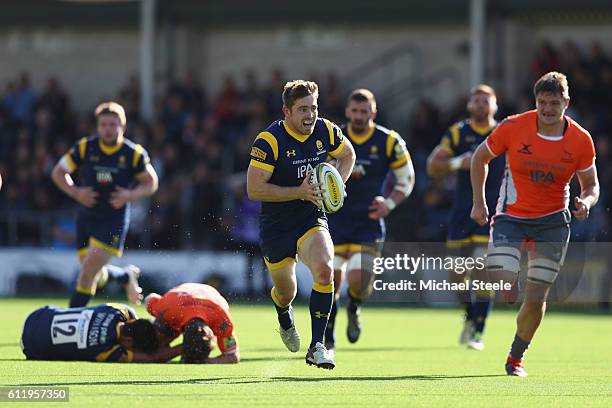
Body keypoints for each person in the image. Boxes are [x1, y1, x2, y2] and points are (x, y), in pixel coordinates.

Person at [470, 72, 599, 376]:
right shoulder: (514, 126)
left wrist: (586, 202)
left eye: (554, 103)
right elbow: (479, 158)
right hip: (510, 217)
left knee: (537, 296)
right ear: (535, 101)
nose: (548, 109)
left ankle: (516, 358)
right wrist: (479, 202)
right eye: (542, 102)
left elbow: (591, 184)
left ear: (566, 102)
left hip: (552, 223)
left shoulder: (580, 139)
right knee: (504, 277)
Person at [247, 80, 356, 369]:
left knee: (324, 270)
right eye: (303, 109)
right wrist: (299, 191)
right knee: (287, 292)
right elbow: (254, 189)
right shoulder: (269, 141)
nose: (310, 115)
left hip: (311, 216)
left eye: (314, 108)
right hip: (277, 225)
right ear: (287, 111)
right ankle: (284, 316)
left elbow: (347, 154)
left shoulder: (326, 129)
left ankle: (318, 346)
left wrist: (336, 185)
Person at [326, 89, 414, 354]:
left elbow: (406, 179)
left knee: (358, 280)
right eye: (355, 111)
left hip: (369, 221)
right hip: (335, 220)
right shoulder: (333, 138)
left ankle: (354, 307)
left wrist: (389, 203)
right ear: (347, 111)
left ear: (373, 112)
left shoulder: (388, 141)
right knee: (329, 281)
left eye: (365, 111)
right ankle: (327, 338)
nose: (359, 116)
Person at [51, 102, 159, 307]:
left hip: (113, 220)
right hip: (86, 217)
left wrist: (129, 195)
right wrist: (76, 192)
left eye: (112, 124)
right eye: (103, 124)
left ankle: (70, 322)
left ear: (123, 127)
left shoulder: (132, 153)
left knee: (85, 275)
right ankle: (124, 277)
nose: (107, 129)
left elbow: (151, 182)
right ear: (97, 127)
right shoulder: (85, 147)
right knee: (94, 274)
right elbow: (58, 173)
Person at [427, 85, 503, 351]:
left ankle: (478, 331)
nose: (481, 104)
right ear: (470, 104)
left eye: (486, 100)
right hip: (462, 211)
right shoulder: (458, 132)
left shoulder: (503, 132)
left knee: (483, 269)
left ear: (495, 105)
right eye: (477, 100)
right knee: (457, 275)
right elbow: (432, 165)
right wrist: (458, 162)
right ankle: (470, 314)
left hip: (493, 210)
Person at [21, 303, 181, 362]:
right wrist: (184, 347)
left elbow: (139, 324)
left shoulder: (120, 310)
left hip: (38, 315)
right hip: (31, 347)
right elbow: (153, 357)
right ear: (128, 342)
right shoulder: (106, 350)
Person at [145, 283, 240, 364]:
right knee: (156, 342)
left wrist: (205, 361)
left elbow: (233, 357)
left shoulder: (223, 322)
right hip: (178, 301)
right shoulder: (167, 310)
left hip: (206, 296)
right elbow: (149, 299)